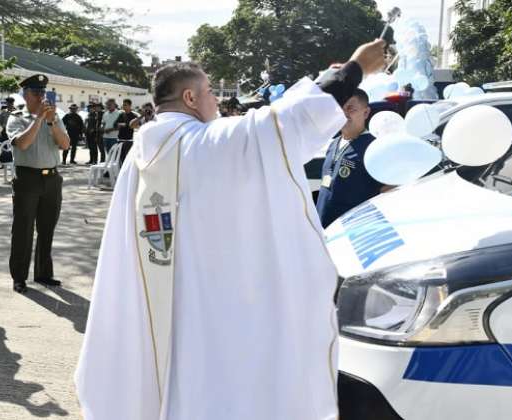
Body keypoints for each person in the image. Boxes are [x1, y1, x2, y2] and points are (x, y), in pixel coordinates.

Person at [75, 40, 385, 420]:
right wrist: (355, 68)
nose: (216, 102)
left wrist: (329, 79)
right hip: (209, 306)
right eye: (210, 92)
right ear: (190, 97)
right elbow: (281, 127)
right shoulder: (198, 145)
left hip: (174, 301)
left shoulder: (145, 151)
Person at [6, 74, 70, 293]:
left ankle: (43, 273)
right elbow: (22, 144)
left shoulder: (55, 117)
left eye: (44, 92)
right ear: (26, 95)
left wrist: (51, 121)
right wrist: (38, 120)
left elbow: (65, 144)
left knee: (47, 228)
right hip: (27, 178)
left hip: (51, 178)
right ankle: (19, 276)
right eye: (36, 92)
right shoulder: (16, 118)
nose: (41, 96)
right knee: (23, 229)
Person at [316, 89, 388, 228]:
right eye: (340, 108)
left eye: (350, 108)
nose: (344, 114)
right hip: (323, 230)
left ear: (366, 112)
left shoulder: (374, 148)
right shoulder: (333, 143)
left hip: (351, 235)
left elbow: (387, 191)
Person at [114, 99, 139, 163]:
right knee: (120, 159)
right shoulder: (121, 115)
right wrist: (121, 124)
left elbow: (131, 125)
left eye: (125, 105)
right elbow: (115, 124)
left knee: (127, 160)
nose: (124, 106)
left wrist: (124, 124)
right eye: (123, 105)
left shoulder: (134, 116)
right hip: (120, 140)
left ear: (130, 106)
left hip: (128, 141)